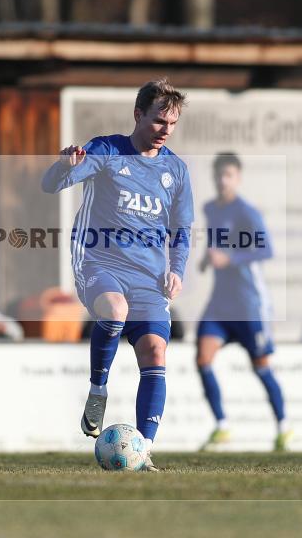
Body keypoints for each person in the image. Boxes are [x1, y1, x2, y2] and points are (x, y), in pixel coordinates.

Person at [41, 78, 193, 471]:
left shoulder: (175, 170)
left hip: (149, 276)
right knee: (114, 310)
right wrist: (63, 166)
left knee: (156, 352)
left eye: (172, 124)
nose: (165, 130)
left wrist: (176, 270)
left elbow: (181, 229)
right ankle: (97, 390)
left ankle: (143, 450)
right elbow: (51, 185)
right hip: (99, 261)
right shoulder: (108, 150)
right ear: (139, 115)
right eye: (159, 120)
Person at [196, 153, 290, 451]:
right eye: (219, 175)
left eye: (229, 176)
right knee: (202, 358)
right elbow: (217, 243)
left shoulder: (248, 212)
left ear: (238, 178)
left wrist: (230, 258)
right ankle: (222, 426)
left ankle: (283, 427)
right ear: (214, 177)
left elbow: (266, 250)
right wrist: (205, 259)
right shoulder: (210, 208)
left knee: (261, 366)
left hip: (249, 303)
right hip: (220, 304)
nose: (224, 181)